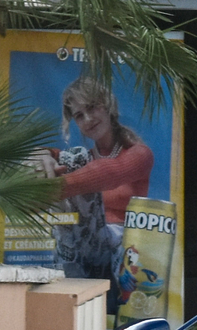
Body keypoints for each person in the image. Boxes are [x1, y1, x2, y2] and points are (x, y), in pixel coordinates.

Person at [33, 74, 156, 292]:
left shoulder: (140, 154)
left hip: (122, 249)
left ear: (108, 105)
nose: (88, 118)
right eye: (79, 115)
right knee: (67, 161)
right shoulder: (81, 158)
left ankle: (66, 262)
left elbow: (107, 174)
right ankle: (68, 282)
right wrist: (42, 156)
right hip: (83, 251)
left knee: (76, 161)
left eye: (92, 107)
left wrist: (53, 190)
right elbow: (53, 155)